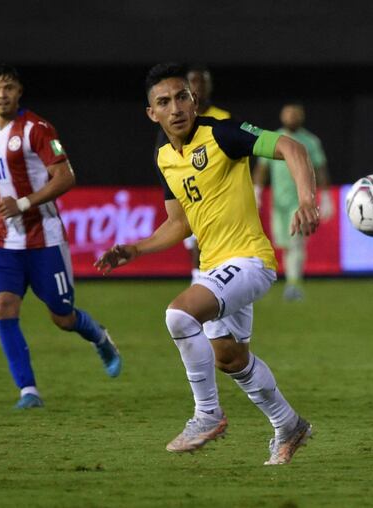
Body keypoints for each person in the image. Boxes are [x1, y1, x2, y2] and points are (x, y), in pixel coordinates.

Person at [95, 63, 319, 465]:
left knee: (178, 316)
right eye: (164, 102)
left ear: (194, 101)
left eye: (182, 97)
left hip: (249, 260)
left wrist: (307, 201)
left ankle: (207, 414)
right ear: (152, 113)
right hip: (214, 268)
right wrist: (137, 248)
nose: (176, 107)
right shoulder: (165, 157)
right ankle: (289, 425)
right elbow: (179, 222)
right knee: (230, 358)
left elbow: (291, 148)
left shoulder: (221, 133)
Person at [0, 64, 121, 409]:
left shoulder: (37, 128)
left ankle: (99, 336)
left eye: (9, 87)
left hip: (45, 238)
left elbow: (65, 177)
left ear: (19, 91)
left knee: (61, 316)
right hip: (3, 240)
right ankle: (28, 391)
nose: (3, 94)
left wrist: (23, 203)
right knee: (3, 307)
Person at [154, 67, 230, 283]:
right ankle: (200, 282)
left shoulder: (222, 118)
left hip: (219, 195)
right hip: (190, 194)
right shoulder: (177, 121)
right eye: (194, 82)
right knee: (196, 245)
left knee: (215, 248)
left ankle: (209, 286)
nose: (199, 86)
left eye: (203, 82)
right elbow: (164, 159)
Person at [253, 102, 332, 300]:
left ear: (302, 117)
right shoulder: (273, 139)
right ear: (282, 116)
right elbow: (262, 167)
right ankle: (292, 281)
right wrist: (257, 190)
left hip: (301, 200)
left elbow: (320, 168)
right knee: (286, 245)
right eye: (288, 114)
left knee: (296, 241)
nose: (292, 117)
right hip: (279, 202)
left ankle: (294, 285)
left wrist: (326, 195)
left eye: (296, 114)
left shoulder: (310, 141)